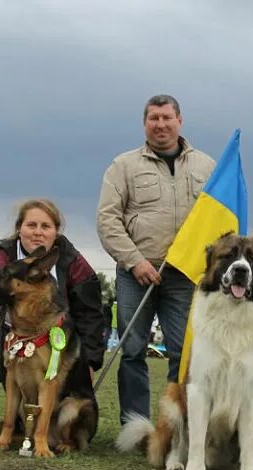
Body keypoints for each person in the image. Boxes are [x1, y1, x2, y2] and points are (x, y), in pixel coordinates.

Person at [96, 94, 216, 423]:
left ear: (180, 121)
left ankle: (175, 425)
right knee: (133, 350)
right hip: (136, 273)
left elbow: (218, 223)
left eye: (167, 118)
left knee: (183, 352)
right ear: (144, 123)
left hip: (185, 275)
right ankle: (135, 427)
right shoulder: (123, 166)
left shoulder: (208, 167)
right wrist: (134, 261)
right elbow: (107, 220)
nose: (160, 125)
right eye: (154, 118)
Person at [0, 198, 106, 439]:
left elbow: (90, 313)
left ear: (56, 232)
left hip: (52, 340)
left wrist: (90, 362)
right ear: (19, 229)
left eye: (46, 226)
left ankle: (39, 428)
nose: (38, 232)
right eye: (31, 225)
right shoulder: (2, 252)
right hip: (4, 334)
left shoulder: (72, 260)